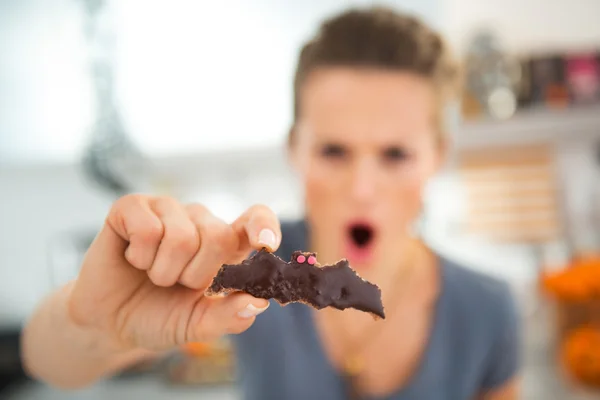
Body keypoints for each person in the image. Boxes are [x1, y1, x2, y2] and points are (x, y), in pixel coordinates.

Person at [21, 6, 521, 400]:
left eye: (395, 154)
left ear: (437, 156)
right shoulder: (251, 269)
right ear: (294, 150)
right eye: (333, 151)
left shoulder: (489, 307)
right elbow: (47, 361)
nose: (363, 187)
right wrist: (95, 323)